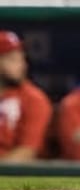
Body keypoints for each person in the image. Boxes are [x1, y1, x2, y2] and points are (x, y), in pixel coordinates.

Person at [0, 31, 53, 161]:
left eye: (22, 58)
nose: (22, 65)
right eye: (12, 59)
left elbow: (26, 152)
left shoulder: (33, 99)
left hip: (10, 174)